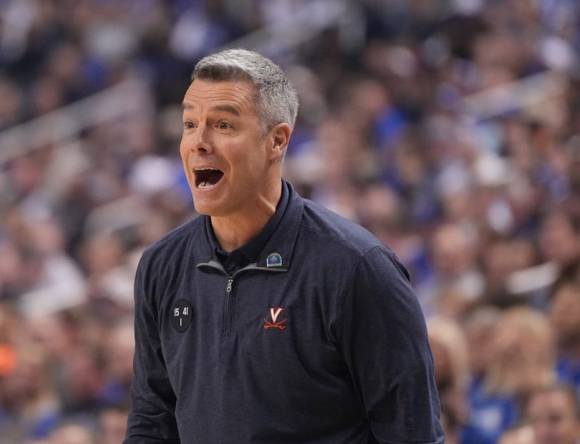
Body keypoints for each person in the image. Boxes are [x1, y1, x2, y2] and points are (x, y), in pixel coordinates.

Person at [124, 48, 443, 443]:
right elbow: (153, 422)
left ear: (277, 141)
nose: (198, 142)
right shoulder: (160, 266)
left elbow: (412, 433)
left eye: (223, 125)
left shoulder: (357, 268)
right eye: (190, 124)